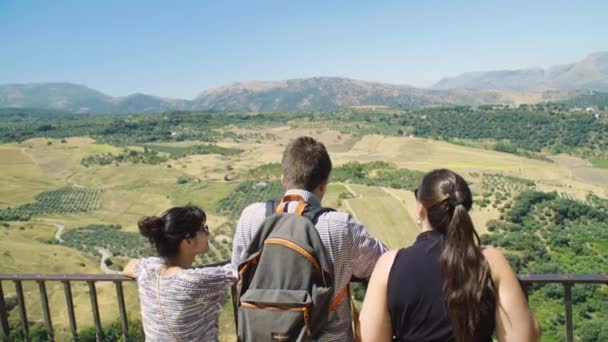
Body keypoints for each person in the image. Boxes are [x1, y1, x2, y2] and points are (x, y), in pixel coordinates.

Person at [231, 136, 388, 341]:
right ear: (323, 184)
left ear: (283, 180)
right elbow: (384, 262)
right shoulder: (341, 226)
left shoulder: (251, 217)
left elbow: (237, 273)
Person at [360, 169, 541, 342]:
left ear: (421, 209)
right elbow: (523, 336)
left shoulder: (389, 264)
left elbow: (370, 337)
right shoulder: (491, 261)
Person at [123, 206, 236, 342]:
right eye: (203, 229)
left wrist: (157, 264)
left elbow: (130, 265)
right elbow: (239, 269)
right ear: (188, 240)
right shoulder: (193, 281)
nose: (208, 233)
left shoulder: (148, 271)